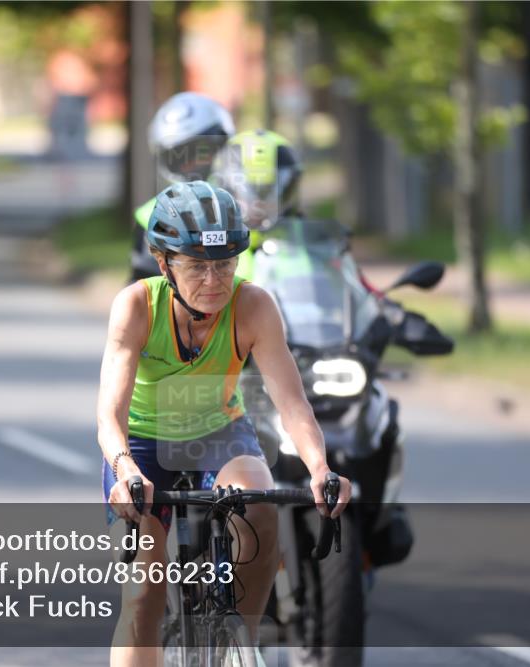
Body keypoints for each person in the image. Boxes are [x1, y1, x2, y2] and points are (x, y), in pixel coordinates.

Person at [98, 180, 353, 666]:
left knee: (259, 503)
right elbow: (109, 415)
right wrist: (125, 470)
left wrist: (320, 468)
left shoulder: (253, 305)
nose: (214, 281)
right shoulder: (135, 306)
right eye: (196, 266)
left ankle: (242, 642)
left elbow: (292, 403)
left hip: (220, 433)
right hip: (142, 445)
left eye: (225, 264)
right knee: (144, 596)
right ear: (163, 262)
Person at [130, 92, 236, 281]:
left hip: (256, 305)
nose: (191, 164)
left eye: (200, 152)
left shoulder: (246, 202)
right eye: (179, 157)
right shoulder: (152, 215)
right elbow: (143, 285)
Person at [210, 129, 305, 281]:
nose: (259, 203)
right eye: (250, 191)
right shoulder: (208, 248)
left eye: (269, 191)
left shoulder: (304, 239)